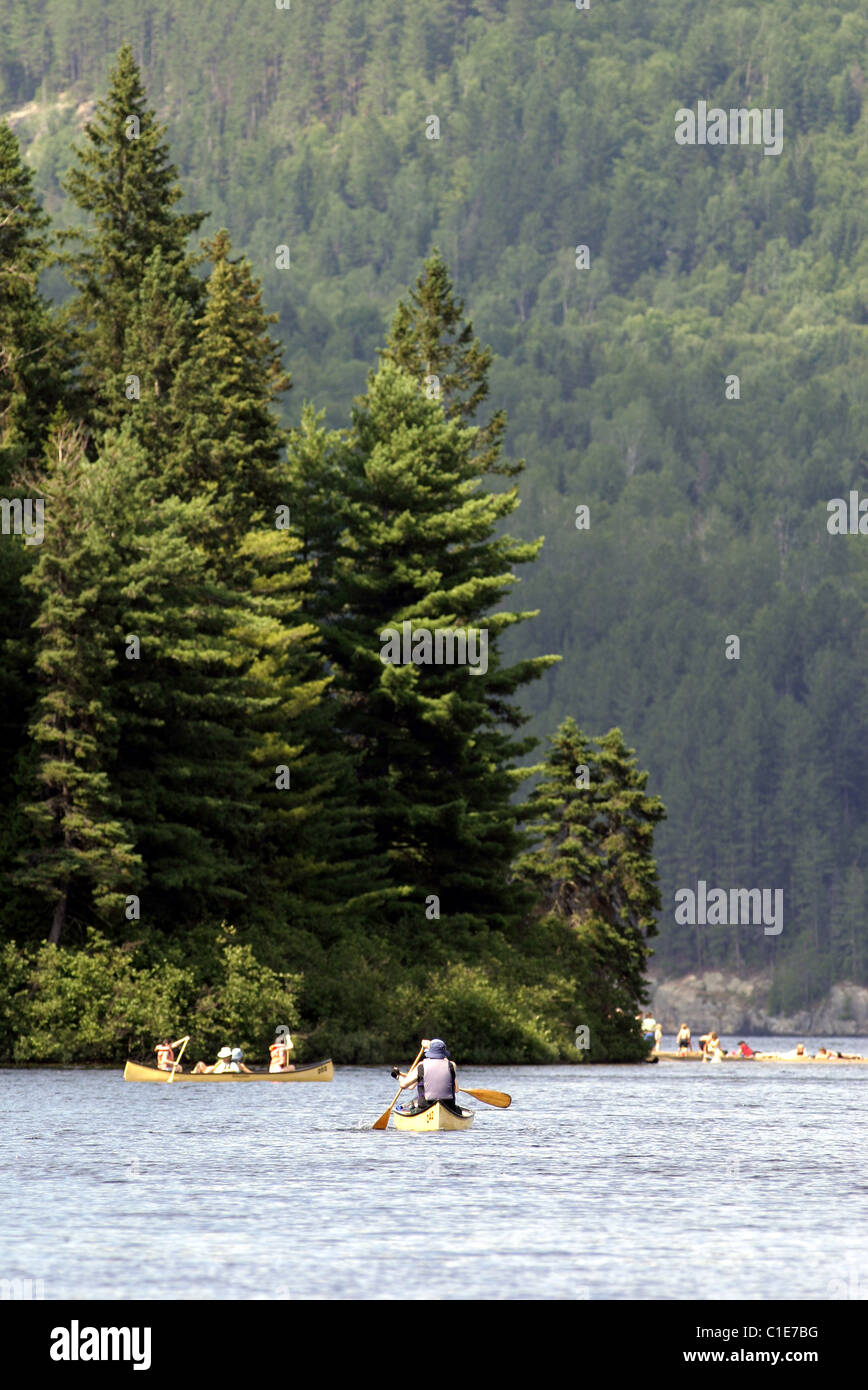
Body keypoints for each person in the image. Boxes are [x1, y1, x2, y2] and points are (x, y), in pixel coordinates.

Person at [394, 1038, 459, 1113]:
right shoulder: (452, 1065)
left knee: (412, 1108)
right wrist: (430, 1045)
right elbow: (456, 1090)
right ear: (444, 1054)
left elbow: (403, 1085)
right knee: (458, 1110)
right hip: (448, 1107)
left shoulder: (421, 1066)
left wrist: (398, 1077)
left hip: (425, 1107)